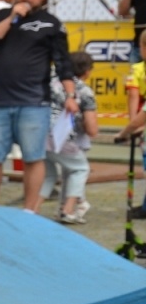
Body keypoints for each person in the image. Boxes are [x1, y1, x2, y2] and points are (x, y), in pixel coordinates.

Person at [0, 0, 77, 211]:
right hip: (0, 102)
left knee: (33, 157)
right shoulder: (2, 16)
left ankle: (29, 210)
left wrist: (71, 96)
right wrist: (13, 16)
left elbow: (63, 63)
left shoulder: (51, 23)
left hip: (34, 103)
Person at [41, 50, 97, 224]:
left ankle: (32, 208)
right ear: (87, 71)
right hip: (61, 136)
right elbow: (92, 129)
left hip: (37, 132)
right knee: (80, 169)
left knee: (48, 175)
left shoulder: (49, 82)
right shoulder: (84, 91)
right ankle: (68, 210)